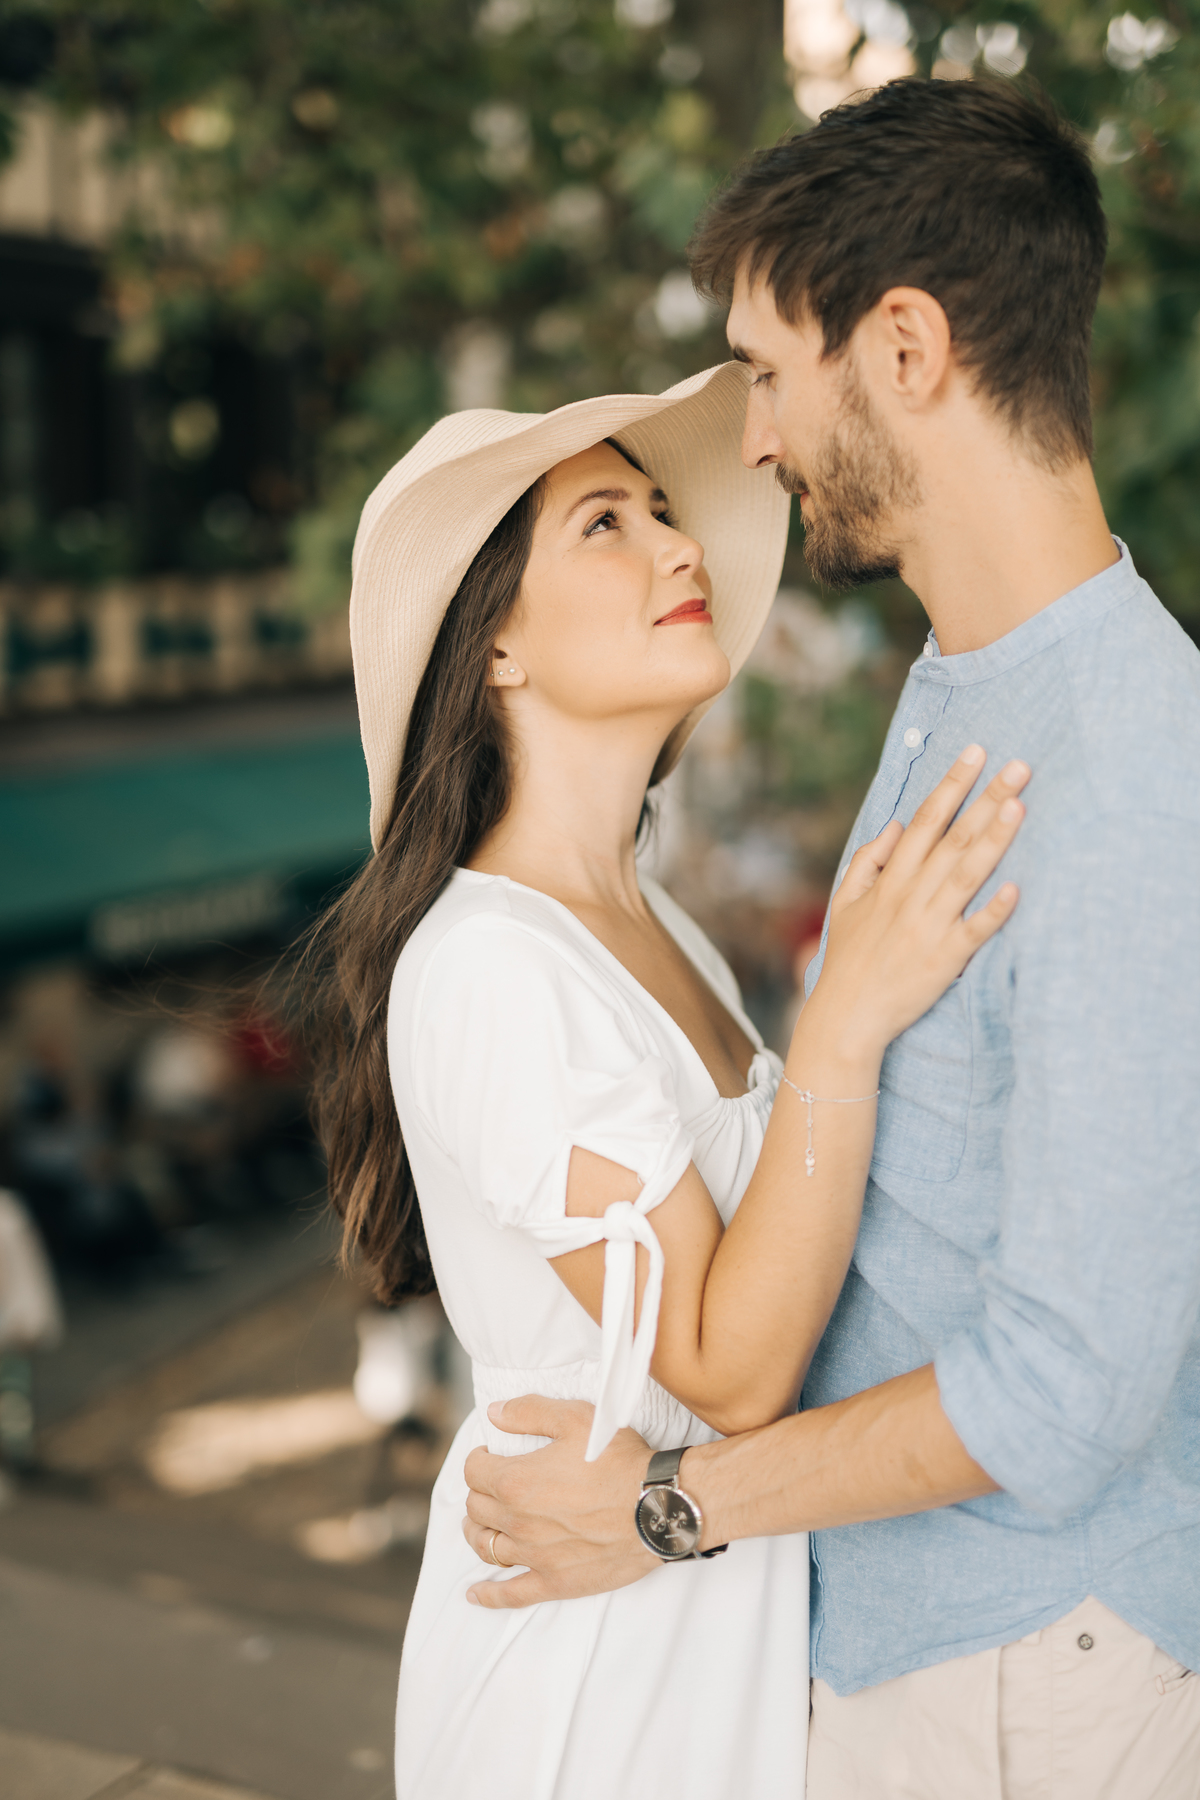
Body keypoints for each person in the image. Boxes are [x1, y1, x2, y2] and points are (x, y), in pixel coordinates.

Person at [460, 79, 1200, 1799]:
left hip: (1035, 1677)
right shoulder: (964, 686)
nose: (765, 441)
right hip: (922, 1657)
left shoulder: (1136, 761)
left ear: (909, 346)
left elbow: (1067, 1388)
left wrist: (664, 1513)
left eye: (771, 375)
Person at [302, 361, 1026, 1798]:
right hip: (589, 1671)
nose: (681, 544)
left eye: (660, 511)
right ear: (491, 646)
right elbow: (729, 1365)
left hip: (704, 1613)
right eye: (605, 526)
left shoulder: (648, 921)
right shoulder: (493, 967)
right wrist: (841, 1025)